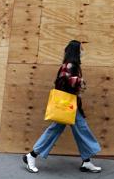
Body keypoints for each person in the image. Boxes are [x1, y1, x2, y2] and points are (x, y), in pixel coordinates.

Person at [22, 40, 102, 173]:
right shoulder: (70, 65)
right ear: (76, 51)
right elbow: (62, 80)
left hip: (70, 105)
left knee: (77, 130)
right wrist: (79, 80)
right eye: (81, 49)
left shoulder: (73, 65)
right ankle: (31, 155)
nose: (83, 52)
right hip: (67, 105)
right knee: (77, 130)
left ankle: (86, 161)